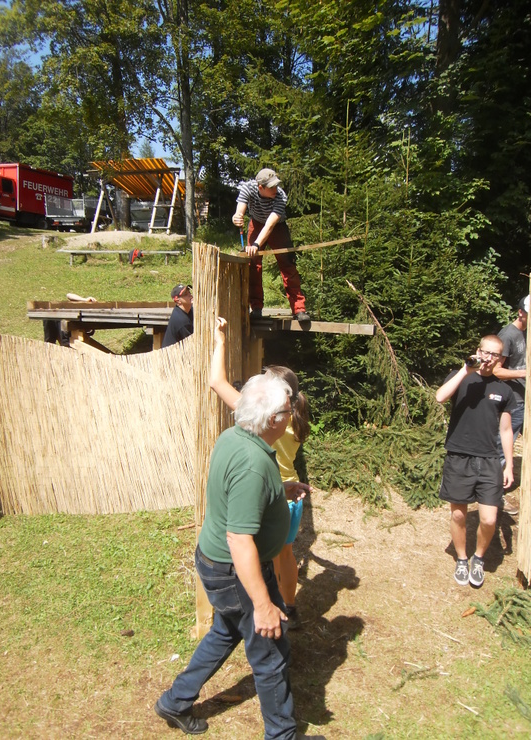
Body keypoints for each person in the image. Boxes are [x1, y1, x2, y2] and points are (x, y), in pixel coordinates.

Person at [154, 373, 317, 739]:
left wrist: (279, 490)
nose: (291, 415)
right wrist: (262, 605)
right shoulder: (252, 464)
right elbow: (240, 539)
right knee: (271, 654)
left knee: (225, 631)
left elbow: (239, 494)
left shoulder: (236, 437)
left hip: (217, 563)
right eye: (288, 411)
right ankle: (282, 736)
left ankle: (175, 701)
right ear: (273, 419)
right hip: (236, 572)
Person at [209, 317, 311, 629]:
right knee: (286, 556)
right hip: (290, 495)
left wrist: (220, 341)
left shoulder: (265, 417)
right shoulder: (294, 419)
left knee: (260, 560)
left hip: (266, 498)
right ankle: (290, 607)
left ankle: (263, 609)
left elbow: (216, 381)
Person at [435, 335, 515, 588]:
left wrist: (509, 465)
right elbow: (440, 397)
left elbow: (506, 430)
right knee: (459, 515)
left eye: (495, 354)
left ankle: (478, 559)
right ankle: (461, 559)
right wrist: (465, 370)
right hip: (459, 456)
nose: (489, 358)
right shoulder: (460, 377)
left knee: (489, 519)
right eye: (485, 352)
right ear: (478, 351)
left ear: (501, 358)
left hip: (490, 460)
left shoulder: (504, 390)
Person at [232, 168, 310, 323]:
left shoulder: (280, 196)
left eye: (276, 185)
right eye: (271, 187)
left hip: (277, 227)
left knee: (288, 265)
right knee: (253, 266)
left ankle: (299, 309)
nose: (276, 189)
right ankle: (256, 308)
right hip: (256, 224)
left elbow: (270, 224)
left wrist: (256, 244)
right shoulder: (247, 188)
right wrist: (237, 216)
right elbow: (240, 210)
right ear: (260, 187)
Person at [493, 295, 529, 514]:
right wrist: (526, 373)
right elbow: (495, 370)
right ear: (520, 312)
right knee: (501, 449)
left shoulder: (528, 333)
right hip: (512, 402)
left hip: (527, 401)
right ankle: (494, 496)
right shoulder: (508, 335)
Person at [162, 284, 193, 348]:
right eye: (186, 294)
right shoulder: (182, 321)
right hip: (172, 352)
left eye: (189, 292)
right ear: (178, 301)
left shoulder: (188, 310)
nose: (190, 295)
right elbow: (191, 343)